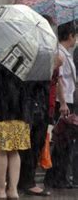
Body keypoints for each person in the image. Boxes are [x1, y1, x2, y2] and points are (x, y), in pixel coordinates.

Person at [17, 15, 56, 197]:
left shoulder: (30, 46)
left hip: (32, 100)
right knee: (32, 142)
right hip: (34, 101)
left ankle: (22, 179)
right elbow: (42, 76)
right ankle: (27, 180)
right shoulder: (39, 48)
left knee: (31, 141)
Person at [0, 61, 31, 199]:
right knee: (14, 151)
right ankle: (13, 190)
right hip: (20, 112)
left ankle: (0, 190)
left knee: (0, 150)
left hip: (2, 111)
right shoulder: (24, 63)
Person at [44, 21, 77, 189]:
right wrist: (63, 102)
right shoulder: (60, 54)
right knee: (61, 140)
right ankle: (55, 177)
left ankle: (60, 176)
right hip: (62, 102)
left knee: (65, 141)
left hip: (69, 99)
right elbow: (58, 80)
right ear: (70, 35)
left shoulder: (66, 54)